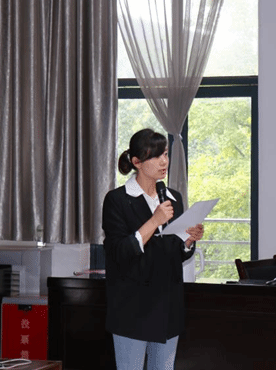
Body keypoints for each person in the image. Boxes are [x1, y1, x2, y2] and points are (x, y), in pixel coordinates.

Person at [102, 128, 204, 370]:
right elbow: (119, 252)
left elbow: (173, 251)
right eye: (156, 156)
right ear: (136, 162)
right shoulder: (117, 200)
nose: (163, 162)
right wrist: (154, 221)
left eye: (165, 154)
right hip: (132, 309)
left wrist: (188, 241)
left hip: (167, 306)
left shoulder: (172, 198)